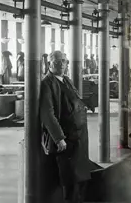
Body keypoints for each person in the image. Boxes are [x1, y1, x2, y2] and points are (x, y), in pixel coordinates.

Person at [40, 51, 95, 203]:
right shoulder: (47, 84)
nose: (62, 64)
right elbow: (47, 113)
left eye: (64, 61)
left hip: (79, 136)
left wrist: (85, 104)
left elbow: (75, 99)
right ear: (50, 63)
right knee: (69, 178)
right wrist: (59, 138)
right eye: (58, 62)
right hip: (67, 138)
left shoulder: (66, 80)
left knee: (81, 175)